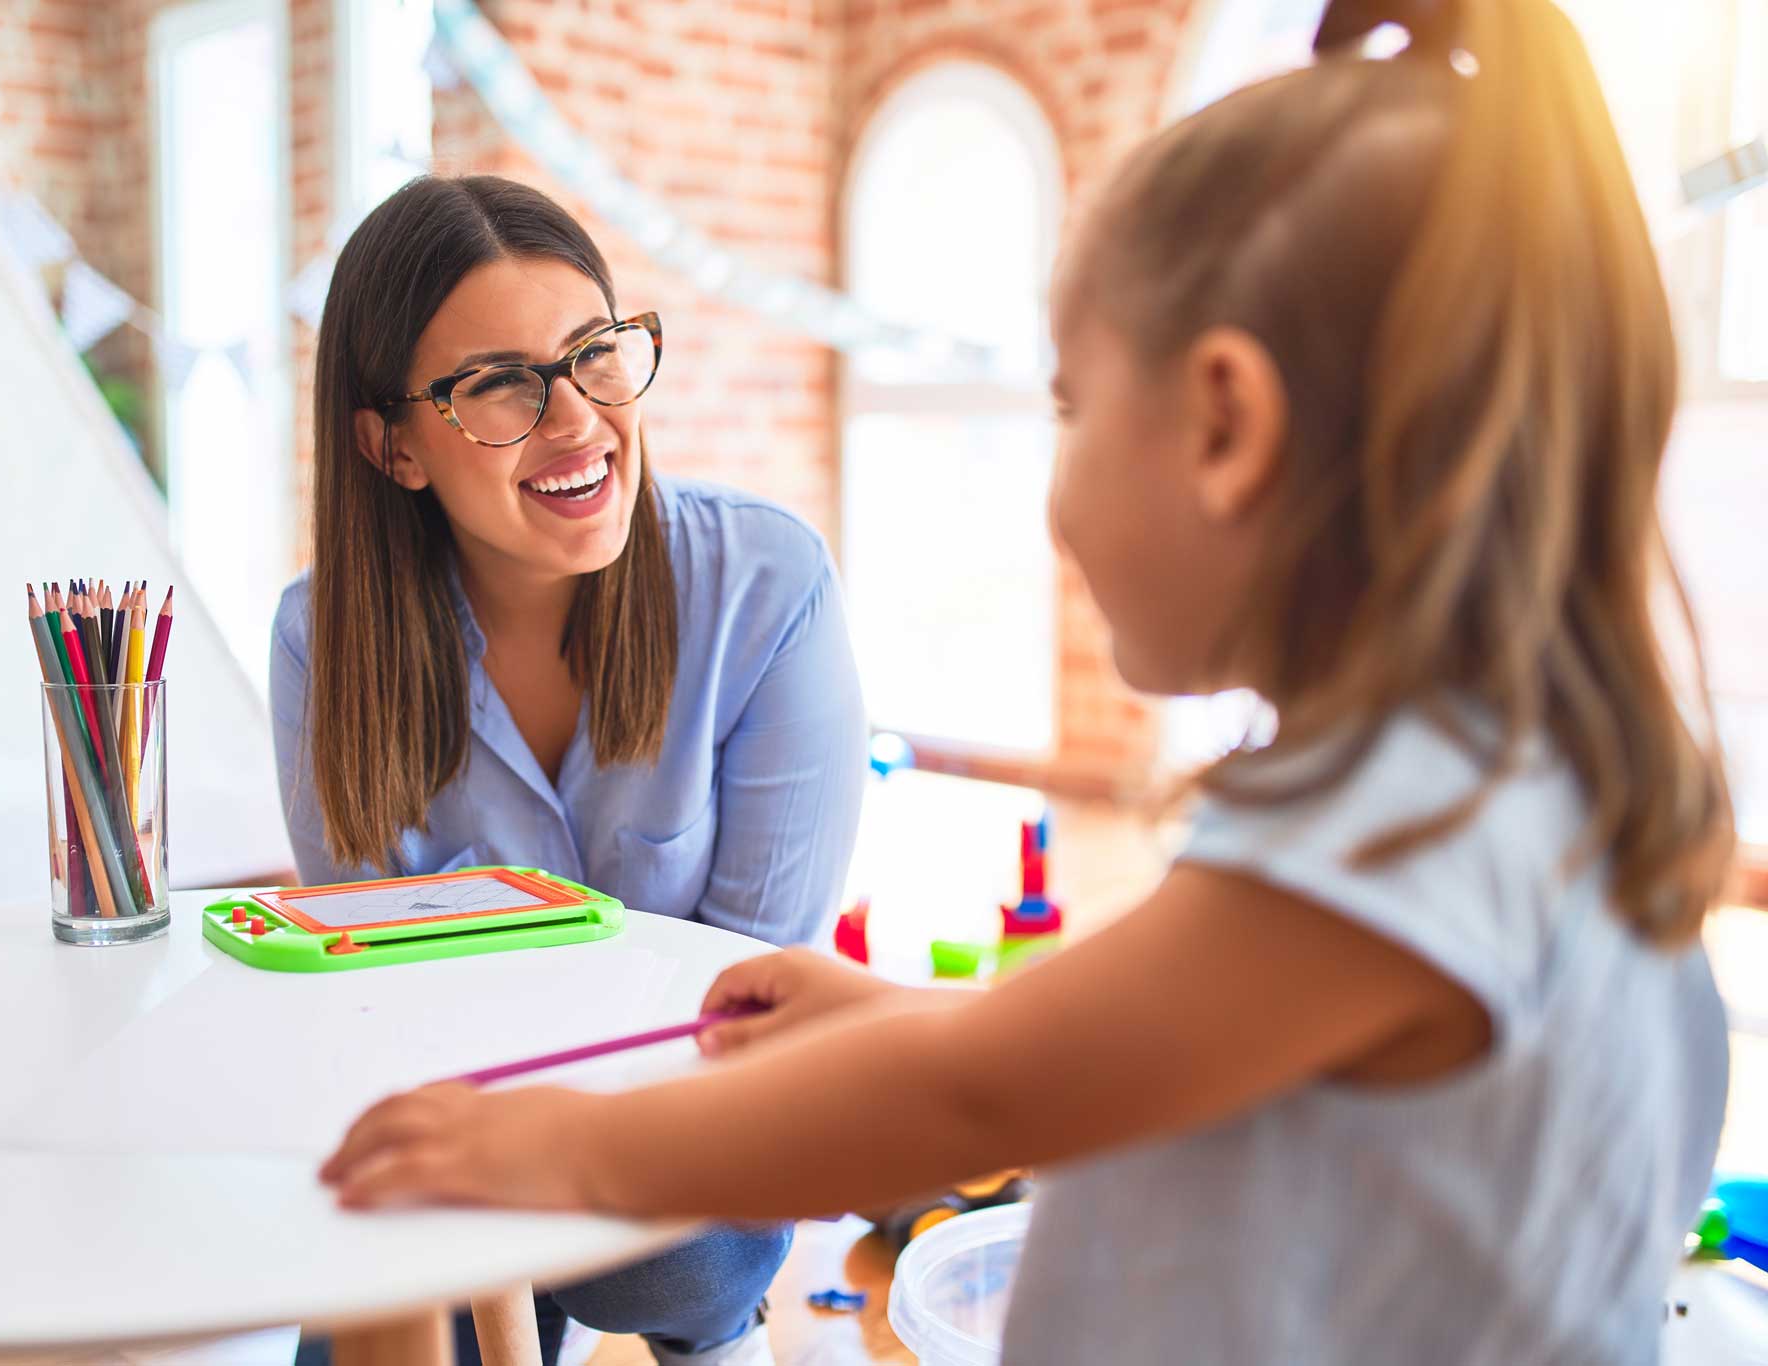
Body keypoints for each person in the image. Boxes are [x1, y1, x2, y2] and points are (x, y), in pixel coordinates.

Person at [317, 4, 1735, 1361]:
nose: (1054, 497)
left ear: (1228, 425)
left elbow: (973, 1096)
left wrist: (551, 1145)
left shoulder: (1392, 833)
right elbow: (1132, 1045)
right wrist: (898, 1012)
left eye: (1071, 402)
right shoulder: (1513, 784)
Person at [274, 174, 868, 1365]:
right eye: (498, 384)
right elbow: (374, 1005)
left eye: (593, 354)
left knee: (673, 1260)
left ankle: (704, 1331)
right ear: (390, 445)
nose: (577, 420)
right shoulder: (323, 641)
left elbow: (745, 1014)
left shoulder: (766, 591)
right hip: (464, 1150)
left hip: (697, 1144)